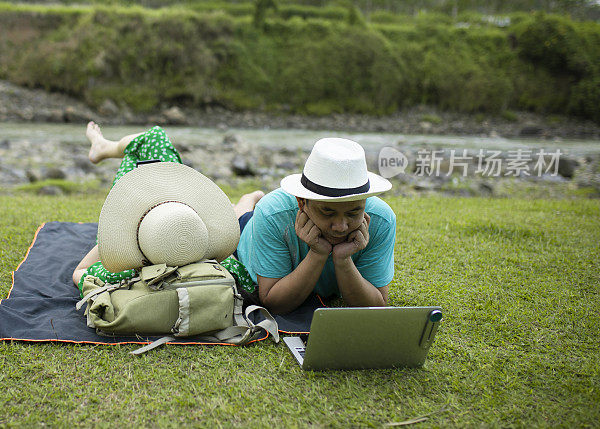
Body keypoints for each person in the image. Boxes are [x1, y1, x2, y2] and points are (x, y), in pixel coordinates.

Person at [72, 122, 263, 297]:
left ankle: (104, 147)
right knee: (151, 141)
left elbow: (80, 271)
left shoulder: (119, 270)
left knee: (152, 139)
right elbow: (246, 282)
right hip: (182, 228)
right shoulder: (224, 268)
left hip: (157, 224)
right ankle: (105, 147)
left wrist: (118, 235)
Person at [235, 137, 396, 314]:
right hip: (247, 231)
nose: (341, 227)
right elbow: (274, 304)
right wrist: (317, 253)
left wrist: (343, 260)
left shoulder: (382, 219)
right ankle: (249, 199)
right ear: (302, 202)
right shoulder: (271, 213)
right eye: (328, 212)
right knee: (239, 220)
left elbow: (375, 308)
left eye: (353, 213)